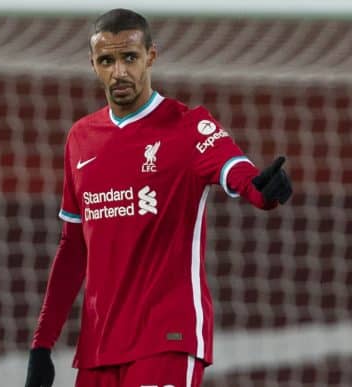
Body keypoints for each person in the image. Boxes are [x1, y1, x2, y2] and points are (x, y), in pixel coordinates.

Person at [24, 8, 292, 387]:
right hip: (99, 348)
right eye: (107, 60)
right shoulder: (80, 138)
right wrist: (42, 345)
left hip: (166, 338)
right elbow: (73, 248)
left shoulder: (188, 125)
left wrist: (263, 191)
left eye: (129, 57)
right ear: (93, 65)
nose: (118, 72)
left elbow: (237, 171)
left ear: (151, 55)